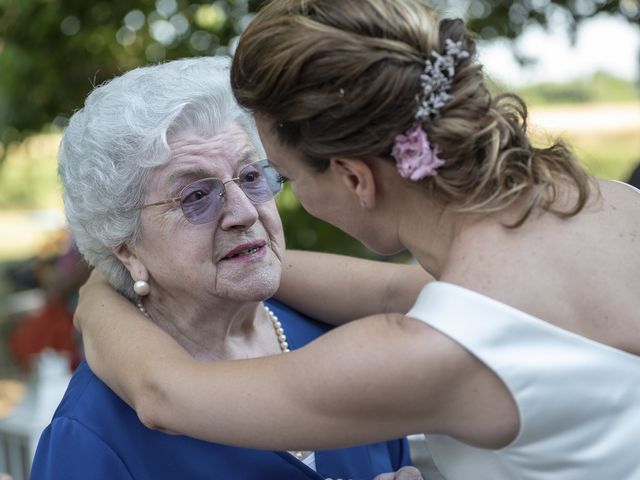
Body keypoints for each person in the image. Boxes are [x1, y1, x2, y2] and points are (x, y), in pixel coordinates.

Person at [75, 1, 640, 479]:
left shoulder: (436, 348)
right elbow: (395, 288)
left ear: (354, 178)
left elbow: (164, 395)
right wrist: (181, 259)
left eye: (276, 177)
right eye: (196, 197)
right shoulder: (601, 203)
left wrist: (96, 296)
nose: (249, 210)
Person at [30, 56, 425, 480]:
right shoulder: (93, 434)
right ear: (127, 250)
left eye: (251, 175)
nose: (244, 212)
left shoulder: (344, 341)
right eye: (196, 196)